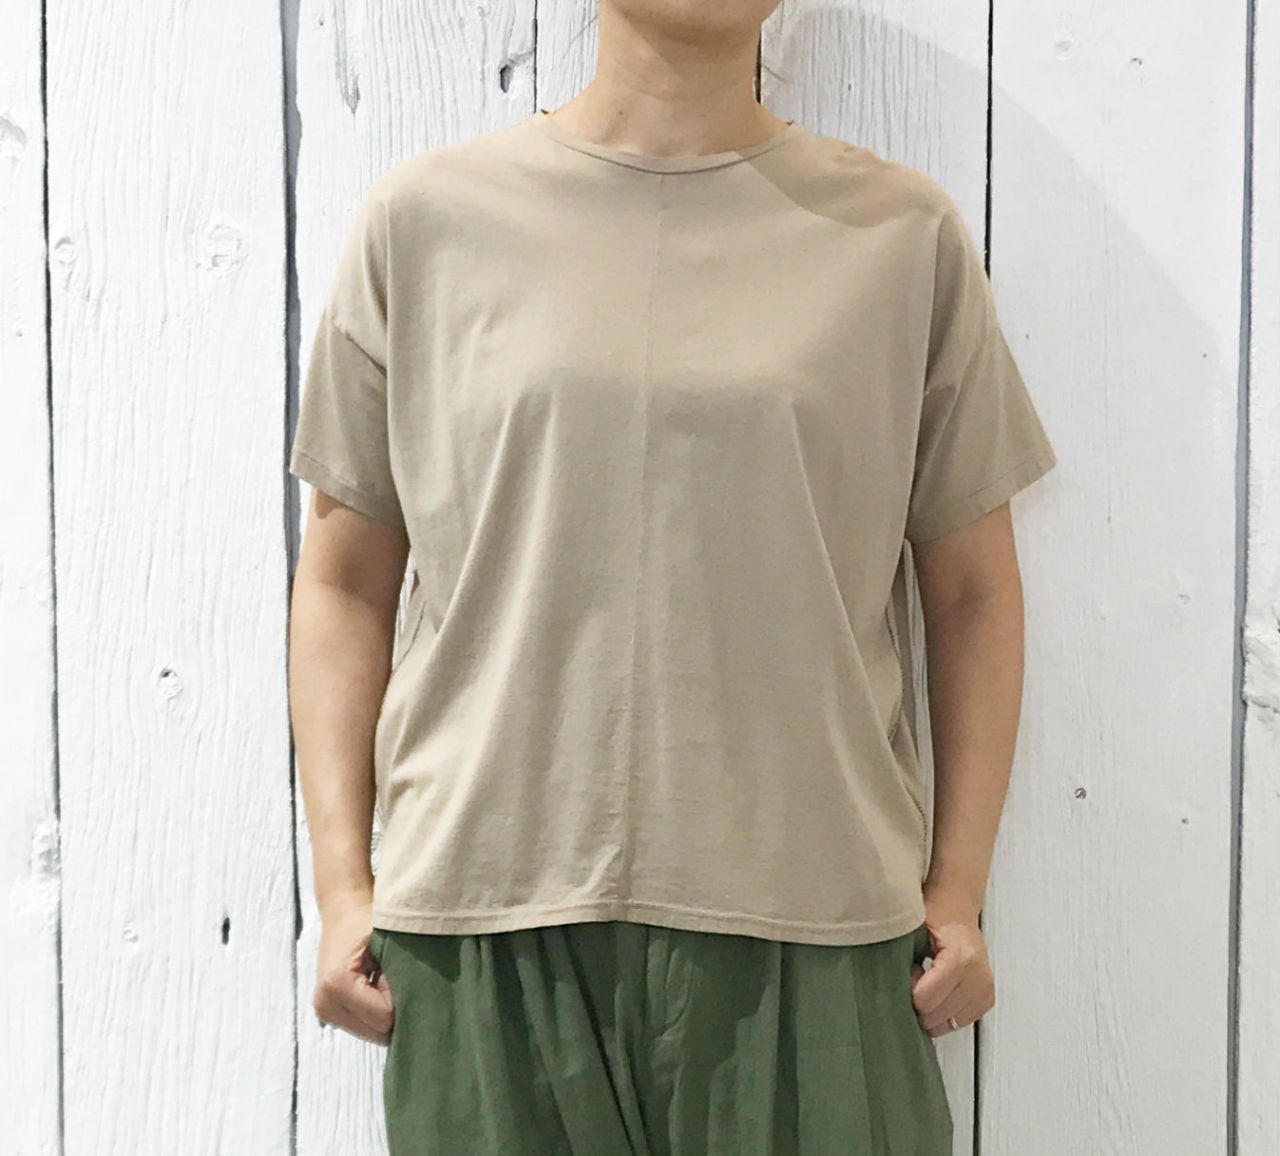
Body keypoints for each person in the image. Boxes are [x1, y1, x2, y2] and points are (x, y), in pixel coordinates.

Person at [286, 2, 1058, 1152]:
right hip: (485, 924)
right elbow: (344, 578)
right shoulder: (426, 223)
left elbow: (972, 591)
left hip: (817, 929)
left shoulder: (897, 237)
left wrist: (954, 891)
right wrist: (344, 887)